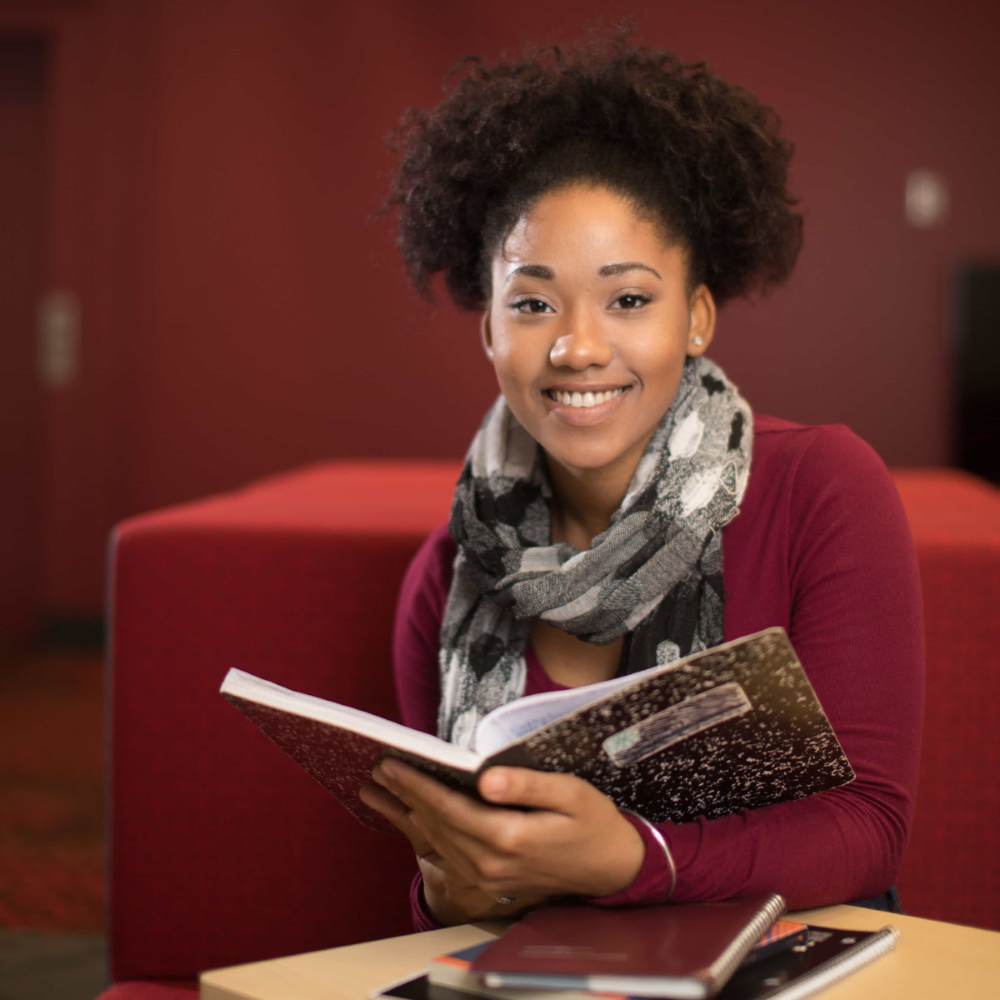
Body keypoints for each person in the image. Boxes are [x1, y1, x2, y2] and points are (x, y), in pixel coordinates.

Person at [358, 36, 923, 930]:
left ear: (696, 317)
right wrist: (445, 889)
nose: (579, 347)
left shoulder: (821, 488)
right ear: (490, 332)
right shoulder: (446, 577)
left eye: (628, 299)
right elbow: (455, 894)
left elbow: (869, 831)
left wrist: (634, 857)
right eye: (533, 303)